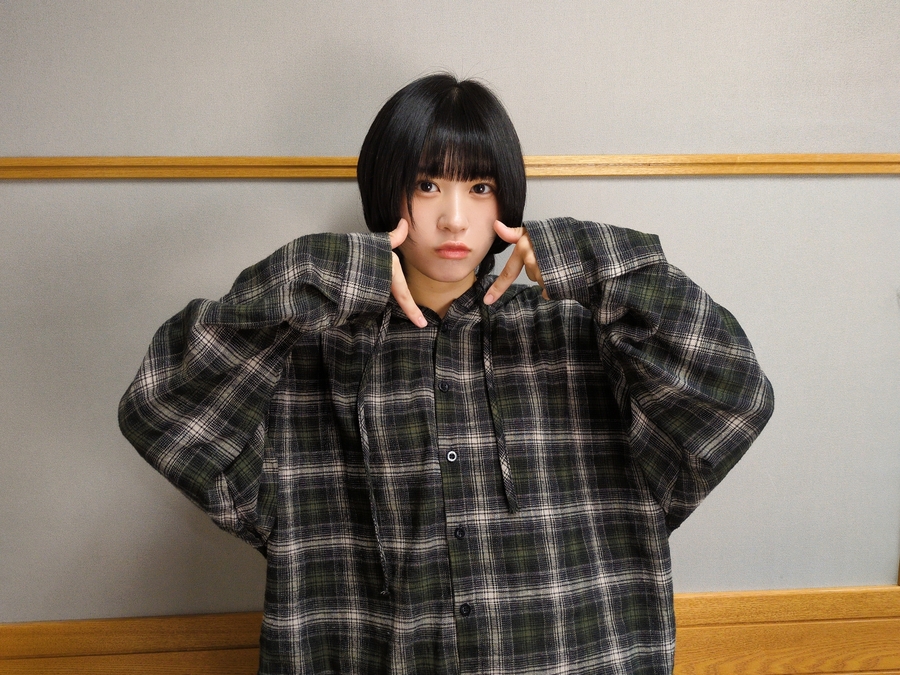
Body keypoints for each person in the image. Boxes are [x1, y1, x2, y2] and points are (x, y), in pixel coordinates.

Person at [119, 73, 774, 674]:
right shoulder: (311, 356)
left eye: (479, 188)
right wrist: (310, 271)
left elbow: (735, 397)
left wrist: (592, 259)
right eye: (428, 185)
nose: (454, 218)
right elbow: (161, 407)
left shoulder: (588, 340)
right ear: (388, 191)